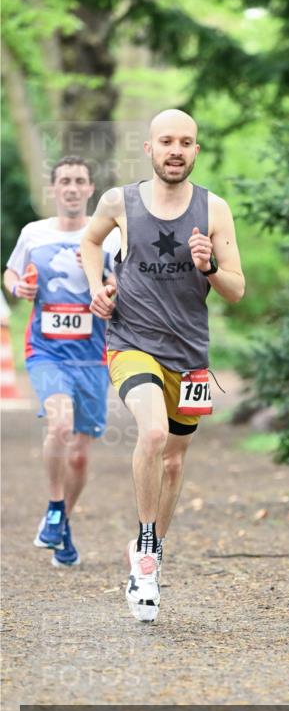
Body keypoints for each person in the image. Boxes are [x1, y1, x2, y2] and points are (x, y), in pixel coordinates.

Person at [81, 109, 245, 622]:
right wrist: (97, 289)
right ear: (149, 148)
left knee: (174, 461)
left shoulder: (214, 210)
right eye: (167, 141)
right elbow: (89, 242)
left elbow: (236, 289)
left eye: (187, 142)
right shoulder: (119, 201)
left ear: (197, 151)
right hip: (132, 341)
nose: (176, 149)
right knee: (152, 435)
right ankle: (146, 558)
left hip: (191, 357)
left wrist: (209, 266)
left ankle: (149, 550)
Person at [3, 156, 118, 566]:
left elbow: (121, 282)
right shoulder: (34, 233)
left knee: (80, 455)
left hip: (93, 357)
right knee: (60, 423)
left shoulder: (109, 236)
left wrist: (111, 286)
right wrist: (20, 288)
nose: (71, 188)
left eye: (79, 181)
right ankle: (54, 508)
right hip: (46, 351)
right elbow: (11, 275)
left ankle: (63, 524)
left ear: (90, 190)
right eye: (64, 181)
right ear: (53, 189)